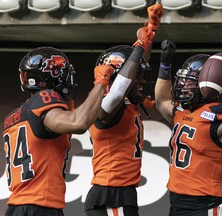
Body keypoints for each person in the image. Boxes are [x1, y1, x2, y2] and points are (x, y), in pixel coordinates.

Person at [155, 40, 222, 216]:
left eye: (189, 83)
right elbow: (161, 101)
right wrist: (164, 65)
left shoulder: (217, 118)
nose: (183, 87)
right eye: (183, 82)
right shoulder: (182, 112)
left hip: (203, 206)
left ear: (205, 85)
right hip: (176, 203)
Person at [3, 46, 114, 216]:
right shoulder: (44, 99)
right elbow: (78, 122)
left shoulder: (15, 116)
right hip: (39, 206)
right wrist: (101, 83)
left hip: (17, 206)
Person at [84, 4, 164, 216]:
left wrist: (149, 31)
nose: (141, 82)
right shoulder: (107, 104)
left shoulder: (124, 102)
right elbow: (119, 90)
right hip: (112, 192)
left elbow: (131, 76)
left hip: (119, 191)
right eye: (136, 77)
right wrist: (138, 46)